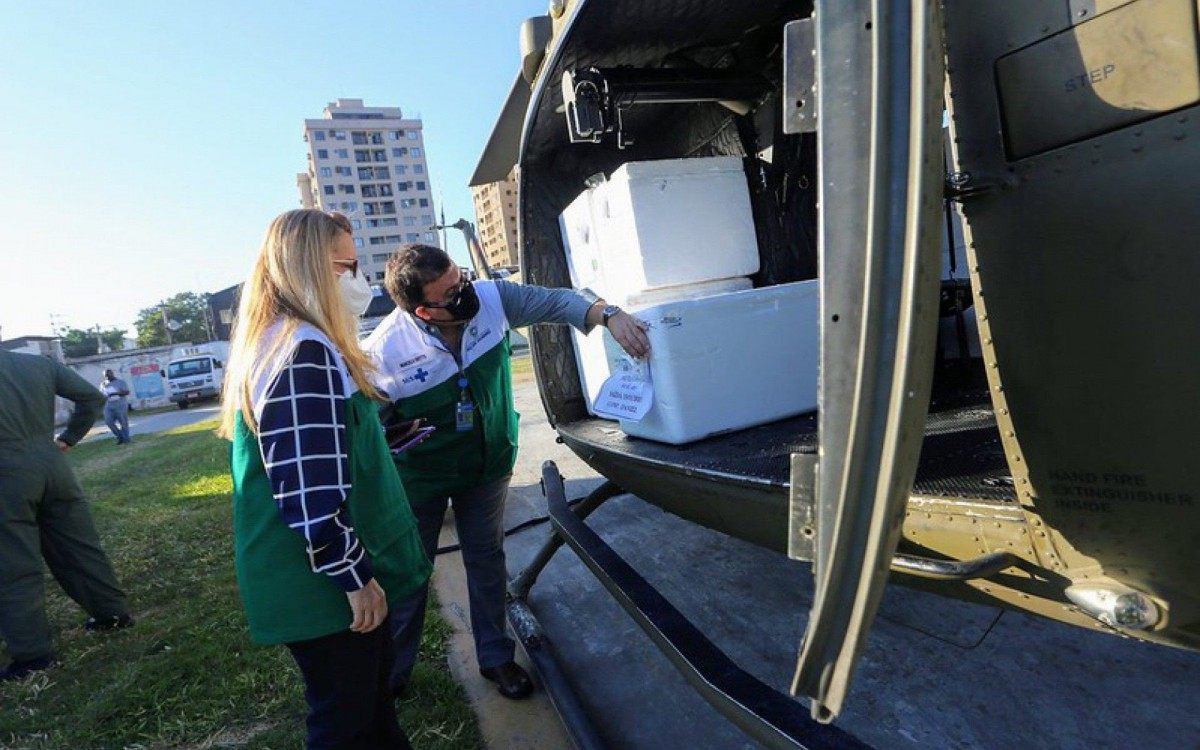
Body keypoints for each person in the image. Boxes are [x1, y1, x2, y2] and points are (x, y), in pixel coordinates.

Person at [362, 244, 649, 700]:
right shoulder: (382, 353)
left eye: (461, 280)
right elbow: (362, 428)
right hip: (420, 478)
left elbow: (555, 301)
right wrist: (381, 431)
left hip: (488, 464)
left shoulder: (492, 299)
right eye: (451, 292)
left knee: (487, 559)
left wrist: (608, 314)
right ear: (423, 310)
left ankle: (496, 658)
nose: (464, 293)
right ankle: (392, 675)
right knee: (411, 572)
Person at [218, 209, 431, 750]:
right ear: (311, 267)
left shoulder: (287, 340)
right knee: (346, 724)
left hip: (323, 574)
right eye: (346, 265)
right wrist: (354, 578)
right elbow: (308, 492)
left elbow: (318, 450)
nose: (358, 281)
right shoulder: (302, 350)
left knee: (369, 713)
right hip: (325, 583)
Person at [0, 350, 133, 681]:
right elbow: (90, 397)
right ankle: (111, 614)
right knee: (79, 546)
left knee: (14, 565)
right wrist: (69, 438)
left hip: (6, 475)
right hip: (52, 465)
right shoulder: (37, 364)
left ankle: (32, 657)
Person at [100, 369, 132, 444]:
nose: (107, 377)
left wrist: (114, 393)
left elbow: (126, 392)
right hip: (108, 405)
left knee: (123, 422)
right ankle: (120, 436)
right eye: (105, 376)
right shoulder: (103, 384)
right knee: (109, 422)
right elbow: (102, 393)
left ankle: (126, 439)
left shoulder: (120, 382)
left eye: (108, 375)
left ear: (112, 374)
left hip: (120, 404)